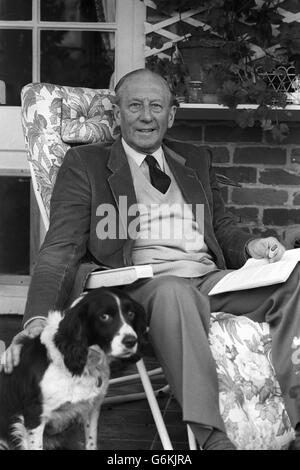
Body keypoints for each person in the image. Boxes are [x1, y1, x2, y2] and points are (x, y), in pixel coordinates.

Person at [1, 68, 300, 450]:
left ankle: (296, 421)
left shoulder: (194, 159)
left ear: (171, 115)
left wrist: (249, 247)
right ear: (117, 115)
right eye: (135, 106)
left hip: (210, 280)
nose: (146, 115)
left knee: (295, 273)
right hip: (140, 288)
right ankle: (213, 438)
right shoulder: (86, 165)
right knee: (174, 291)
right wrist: (38, 317)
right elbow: (60, 247)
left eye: (156, 106)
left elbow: (220, 226)